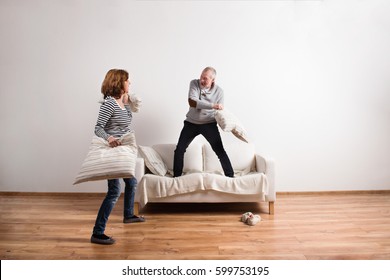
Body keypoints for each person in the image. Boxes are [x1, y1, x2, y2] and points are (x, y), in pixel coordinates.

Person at [91, 69, 145, 245]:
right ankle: (98, 233)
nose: (130, 83)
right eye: (127, 81)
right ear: (119, 82)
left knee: (131, 182)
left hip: (123, 149)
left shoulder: (122, 101)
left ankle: (128, 215)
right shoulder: (109, 103)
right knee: (114, 191)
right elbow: (98, 127)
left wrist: (128, 101)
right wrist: (110, 137)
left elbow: (124, 123)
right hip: (112, 150)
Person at [173, 67, 234, 178]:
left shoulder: (219, 92)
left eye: (205, 78)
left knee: (220, 151)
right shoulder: (194, 83)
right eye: (201, 77)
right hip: (191, 123)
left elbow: (220, 112)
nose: (201, 80)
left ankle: (231, 177)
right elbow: (192, 102)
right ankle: (176, 178)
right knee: (179, 150)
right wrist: (212, 105)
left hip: (209, 124)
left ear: (213, 80)